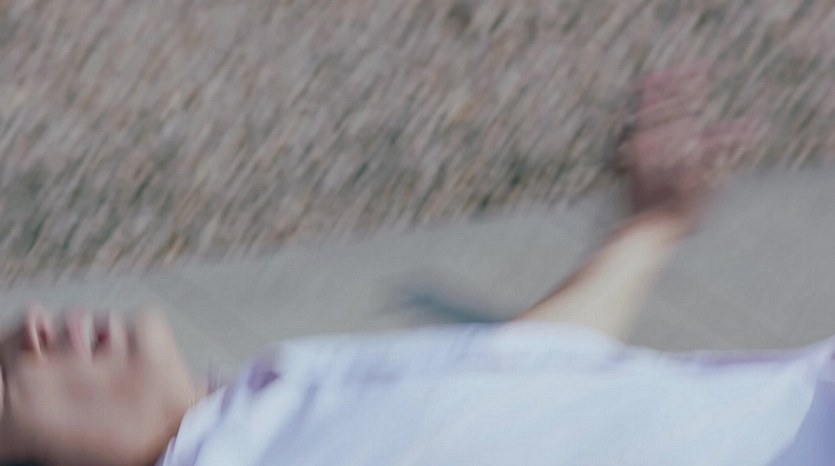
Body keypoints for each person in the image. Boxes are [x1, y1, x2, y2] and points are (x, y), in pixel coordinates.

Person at [1, 65, 831, 466]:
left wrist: (648, 229)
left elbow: (516, 378)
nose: (31, 325)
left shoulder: (268, 417)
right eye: (4, 378)